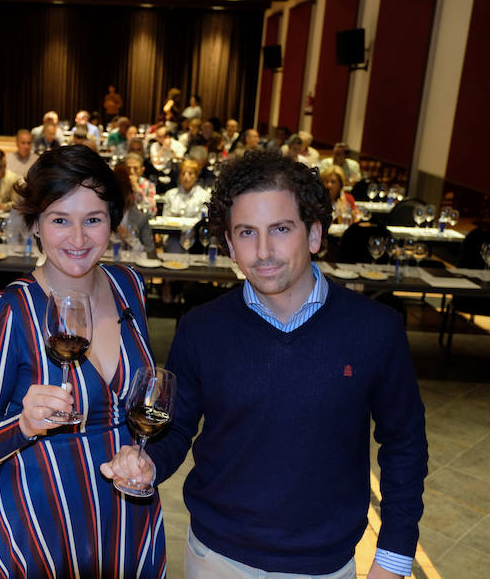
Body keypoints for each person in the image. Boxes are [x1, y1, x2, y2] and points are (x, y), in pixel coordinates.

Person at [102, 149, 427, 579]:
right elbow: (177, 428)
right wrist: (149, 465)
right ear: (230, 245)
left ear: (313, 234)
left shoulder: (375, 330)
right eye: (246, 233)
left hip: (323, 565)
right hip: (215, 557)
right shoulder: (202, 328)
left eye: (280, 229)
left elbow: (404, 443)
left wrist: (393, 556)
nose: (264, 250)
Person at [0, 145, 166, 578]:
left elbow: (139, 404)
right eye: (59, 220)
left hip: (126, 524)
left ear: (113, 219)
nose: (78, 238)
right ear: (34, 224)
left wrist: (144, 456)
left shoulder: (129, 287)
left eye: (93, 219)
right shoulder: (7, 312)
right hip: (36, 530)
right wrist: (23, 424)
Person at [114, 163, 158, 259]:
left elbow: (151, 252)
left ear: (131, 195)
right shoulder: (103, 217)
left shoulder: (140, 218)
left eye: (125, 192)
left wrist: (130, 239)